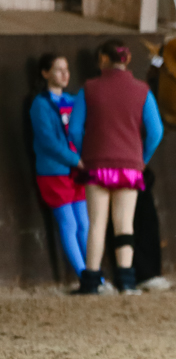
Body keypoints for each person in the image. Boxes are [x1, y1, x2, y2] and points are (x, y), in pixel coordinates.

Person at [68, 40, 164, 295]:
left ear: (102, 59)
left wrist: (86, 154)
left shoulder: (89, 88)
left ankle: (91, 281)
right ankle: (127, 281)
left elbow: (74, 130)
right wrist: (141, 159)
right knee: (125, 225)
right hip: (130, 167)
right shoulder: (142, 90)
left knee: (97, 224)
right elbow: (156, 131)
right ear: (128, 59)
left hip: (96, 166)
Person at [29, 53, 90, 285]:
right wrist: (76, 159)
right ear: (45, 73)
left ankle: (93, 273)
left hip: (77, 172)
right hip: (54, 172)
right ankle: (84, 275)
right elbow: (48, 141)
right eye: (58, 69)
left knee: (85, 223)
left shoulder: (73, 101)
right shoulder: (40, 104)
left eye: (67, 69)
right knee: (69, 223)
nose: (65, 74)